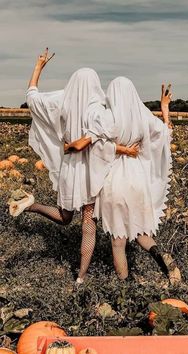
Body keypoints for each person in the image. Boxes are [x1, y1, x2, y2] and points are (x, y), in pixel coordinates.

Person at [9, 48, 138, 285]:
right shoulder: (98, 111)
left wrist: (39, 66)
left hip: (70, 171)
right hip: (90, 173)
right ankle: (80, 277)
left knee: (65, 216)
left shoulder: (61, 103)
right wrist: (127, 150)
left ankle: (31, 205)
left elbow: (32, 97)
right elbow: (107, 140)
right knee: (88, 225)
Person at [67, 77, 181, 285]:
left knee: (117, 241)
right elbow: (164, 134)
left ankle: (125, 287)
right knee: (139, 229)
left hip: (114, 180)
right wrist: (164, 108)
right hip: (137, 179)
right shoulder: (143, 117)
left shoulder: (107, 118)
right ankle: (160, 254)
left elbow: (94, 144)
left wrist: (67, 146)